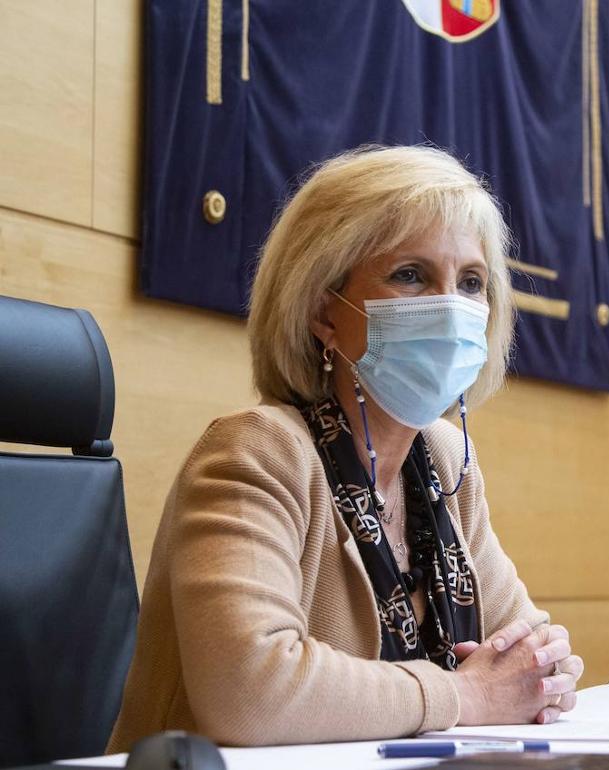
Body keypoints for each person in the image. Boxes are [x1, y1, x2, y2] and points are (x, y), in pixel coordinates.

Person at [109, 146, 582, 748]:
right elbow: (249, 691)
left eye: (471, 283)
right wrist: (465, 695)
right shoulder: (256, 452)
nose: (451, 308)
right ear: (323, 311)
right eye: (410, 274)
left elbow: (523, 650)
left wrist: (547, 669)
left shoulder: (443, 458)